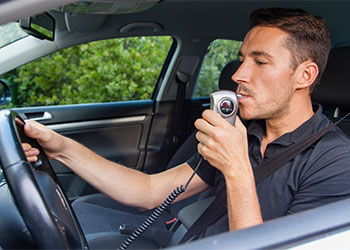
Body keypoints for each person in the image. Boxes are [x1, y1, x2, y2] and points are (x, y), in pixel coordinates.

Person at [22, 7, 350, 245]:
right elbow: (148, 192)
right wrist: (63, 149)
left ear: (304, 76)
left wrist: (236, 169)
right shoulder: (245, 134)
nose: (238, 74)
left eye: (261, 62)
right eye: (242, 58)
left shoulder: (336, 161)